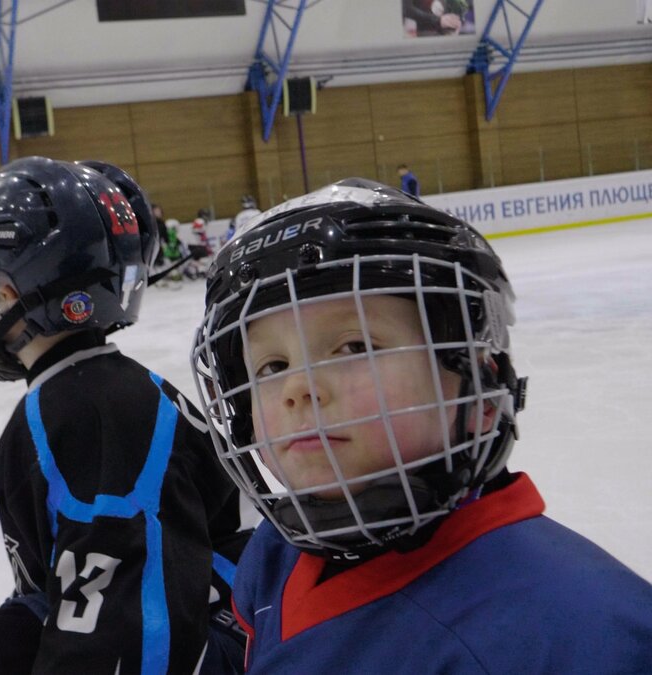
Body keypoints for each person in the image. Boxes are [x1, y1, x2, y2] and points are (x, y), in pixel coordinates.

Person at [190, 178, 652, 672]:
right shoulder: (278, 552)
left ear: (476, 383)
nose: (298, 387)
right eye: (271, 366)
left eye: (355, 347)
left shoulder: (579, 635)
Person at [0, 156, 253, 674]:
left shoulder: (85, 416)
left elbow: (133, 624)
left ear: (7, 293)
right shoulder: (100, 391)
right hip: (215, 602)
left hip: (225, 625)